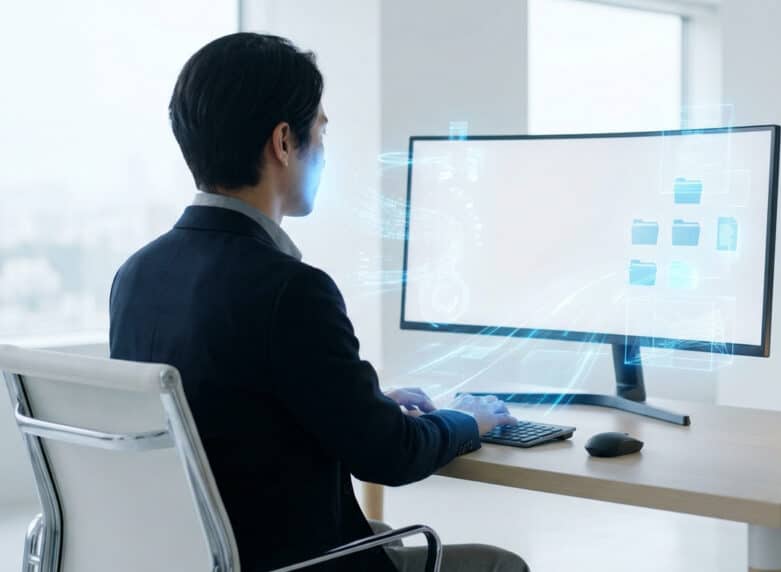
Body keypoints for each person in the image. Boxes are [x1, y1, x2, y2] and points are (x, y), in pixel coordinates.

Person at [108, 32, 528, 572]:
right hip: (295, 560)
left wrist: (358, 400)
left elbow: (232, 409)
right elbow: (390, 455)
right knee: (500, 565)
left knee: (378, 531)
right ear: (283, 142)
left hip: (202, 555)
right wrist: (467, 420)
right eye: (321, 133)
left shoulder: (136, 275)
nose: (325, 155)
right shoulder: (291, 290)